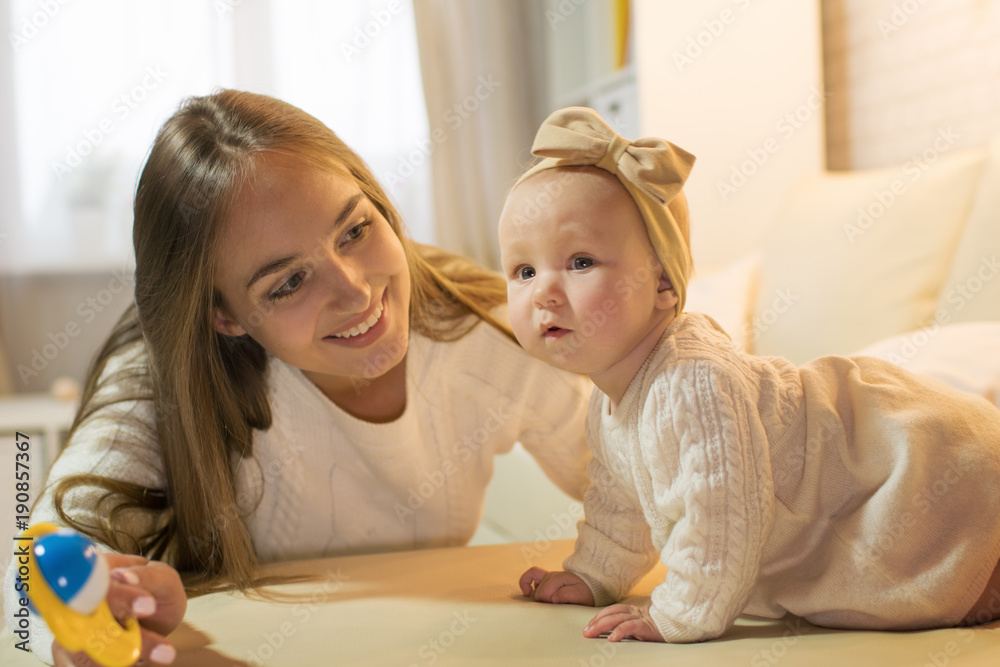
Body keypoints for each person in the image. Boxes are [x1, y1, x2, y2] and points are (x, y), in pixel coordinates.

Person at [4, 90, 592, 665]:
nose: (355, 291)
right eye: (288, 283)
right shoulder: (155, 380)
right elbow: (33, 566)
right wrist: (91, 605)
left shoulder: (494, 334)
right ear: (224, 316)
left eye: (354, 231)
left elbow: (632, 477)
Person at [500, 106, 1000, 644]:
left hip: (916, 471)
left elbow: (721, 511)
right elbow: (621, 500)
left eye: (580, 262)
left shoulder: (691, 380)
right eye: (524, 270)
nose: (543, 292)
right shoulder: (609, 402)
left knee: (964, 574)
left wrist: (679, 613)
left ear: (664, 283)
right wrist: (594, 574)